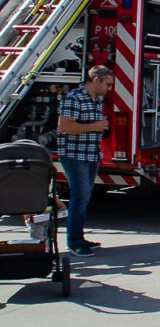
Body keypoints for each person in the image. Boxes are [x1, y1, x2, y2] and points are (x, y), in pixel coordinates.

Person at [57, 65, 113, 257]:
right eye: (107, 84)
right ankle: (74, 241)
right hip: (75, 155)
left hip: (90, 155)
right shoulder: (74, 98)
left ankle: (78, 236)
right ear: (96, 80)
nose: (108, 88)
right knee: (79, 197)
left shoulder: (95, 100)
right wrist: (94, 126)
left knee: (84, 197)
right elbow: (65, 126)